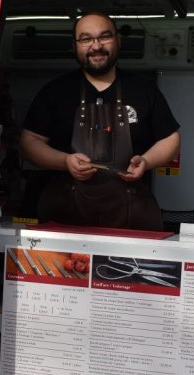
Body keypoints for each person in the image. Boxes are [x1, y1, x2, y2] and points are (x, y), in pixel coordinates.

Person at [20, 12, 180, 230]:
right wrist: (64, 161)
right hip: (65, 216)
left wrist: (146, 161)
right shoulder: (55, 91)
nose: (96, 46)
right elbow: (30, 140)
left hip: (130, 215)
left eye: (104, 37)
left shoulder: (143, 90)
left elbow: (170, 138)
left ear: (118, 40)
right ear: (75, 45)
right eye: (86, 39)